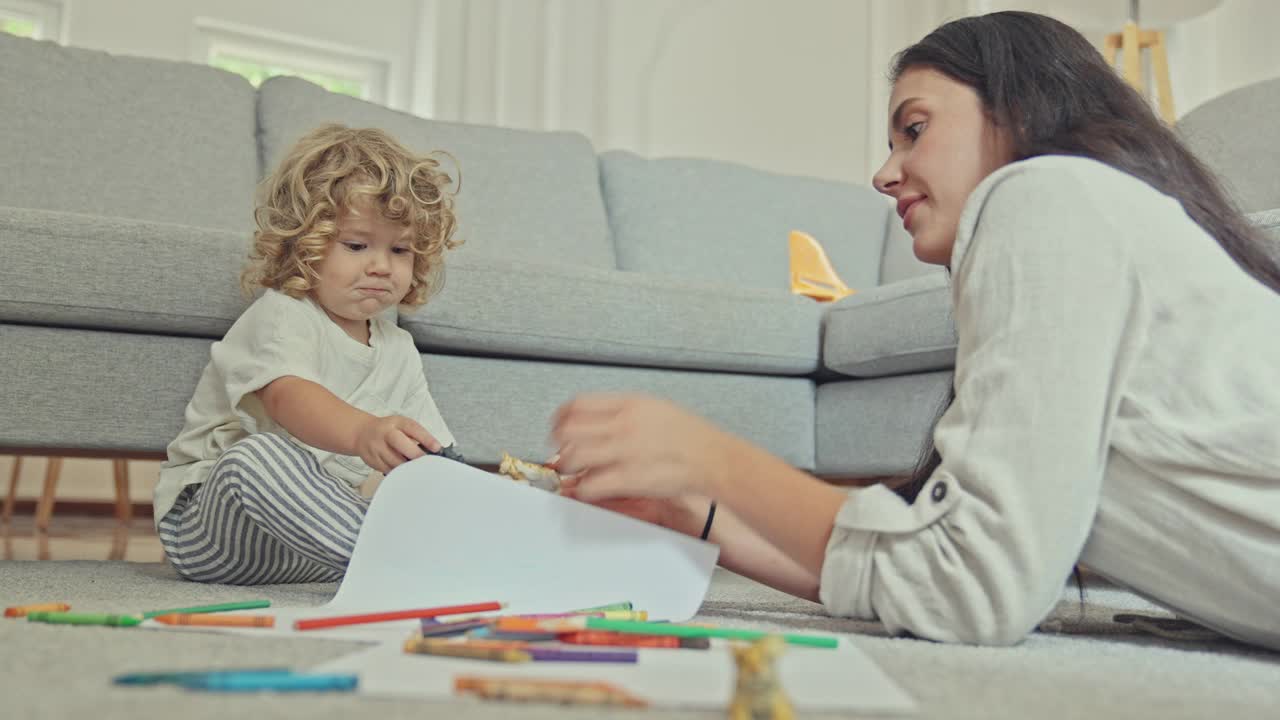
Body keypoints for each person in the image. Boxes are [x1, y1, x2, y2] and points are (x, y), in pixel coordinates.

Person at [550, 12, 1280, 649]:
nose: (883, 173)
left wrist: (712, 458)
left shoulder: (1045, 192)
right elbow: (928, 564)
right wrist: (699, 515)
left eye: (916, 130)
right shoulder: (1074, 234)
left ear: (1019, 109)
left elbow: (976, 584)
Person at [155, 123, 462, 585]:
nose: (381, 265)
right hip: (220, 533)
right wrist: (363, 432)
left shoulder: (399, 347)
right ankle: (407, 565)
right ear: (305, 245)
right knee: (255, 457)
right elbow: (288, 397)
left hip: (313, 544)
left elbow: (433, 448)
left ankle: (411, 554)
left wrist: (466, 490)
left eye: (400, 250)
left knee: (431, 490)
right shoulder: (285, 314)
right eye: (356, 245)